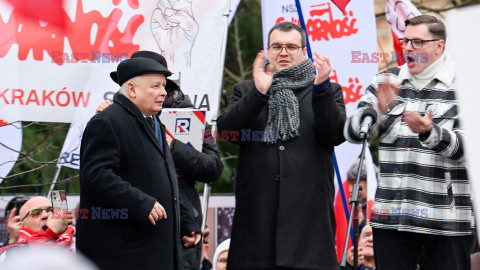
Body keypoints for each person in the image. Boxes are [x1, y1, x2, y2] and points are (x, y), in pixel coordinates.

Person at [344, 15, 473, 269]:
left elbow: (468, 150)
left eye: (417, 42)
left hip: (445, 223)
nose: (408, 48)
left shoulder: (466, 85)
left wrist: (430, 132)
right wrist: (377, 110)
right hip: (391, 221)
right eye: (405, 41)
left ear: (439, 45)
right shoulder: (385, 82)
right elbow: (352, 132)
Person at [217, 22, 346, 269]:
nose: (283, 52)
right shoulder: (246, 89)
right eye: (277, 46)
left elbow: (335, 135)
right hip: (257, 223)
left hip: (309, 224)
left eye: (291, 47)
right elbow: (229, 133)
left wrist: (322, 90)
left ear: (304, 51)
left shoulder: (326, 90)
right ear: (268, 50)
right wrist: (259, 93)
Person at [99, 50, 223, 270]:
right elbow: (103, 174)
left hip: (182, 228)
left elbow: (213, 168)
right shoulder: (113, 117)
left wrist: (172, 146)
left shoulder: (190, 117)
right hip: (135, 226)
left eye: (159, 85)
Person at [77, 56, 184, 270]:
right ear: (132, 89)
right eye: (156, 86)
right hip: (125, 254)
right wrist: (140, 203)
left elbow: (166, 181)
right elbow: (96, 176)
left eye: (164, 86)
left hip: (154, 251)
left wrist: (187, 223)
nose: (164, 92)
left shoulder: (153, 123)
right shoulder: (107, 121)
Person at [0, 196, 74, 263]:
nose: (46, 215)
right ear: (22, 225)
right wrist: (48, 233)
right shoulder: (7, 253)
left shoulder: (76, 245)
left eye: (50, 210)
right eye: (36, 213)